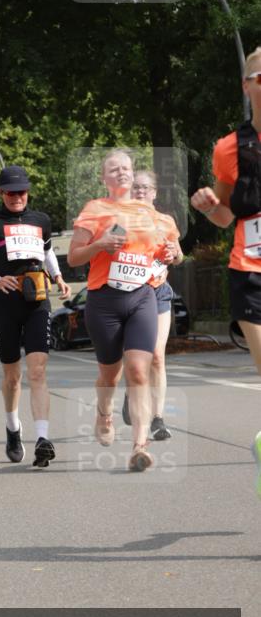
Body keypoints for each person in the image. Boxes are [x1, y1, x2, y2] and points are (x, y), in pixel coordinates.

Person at [68, 151, 170, 472]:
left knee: (139, 370)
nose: (123, 173)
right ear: (105, 178)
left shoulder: (152, 215)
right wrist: (100, 245)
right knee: (109, 375)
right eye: (115, 169)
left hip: (142, 297)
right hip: (104, 302)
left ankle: (139, 444)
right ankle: (105, 412)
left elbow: (170, 253)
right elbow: (73, 258)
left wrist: (174, 253)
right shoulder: (95, 210)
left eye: (126, 167)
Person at [0, 165, 71, 468]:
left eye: (22, 192)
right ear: (1, 193)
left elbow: (48, 251)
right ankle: (13, 428)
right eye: (11, 192)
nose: (17, 197)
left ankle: (42, 439)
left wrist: (57, 276)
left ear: (28, 193)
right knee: (12, 376)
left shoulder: (41, 220)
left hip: (37, 300)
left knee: (38, 370)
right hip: (5, 303)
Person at [191, 46, 261, 375]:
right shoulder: (228, 147)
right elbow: (225, 217)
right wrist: (208, 207)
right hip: (249, 270)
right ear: (246, 85)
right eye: (260, 78)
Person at [122, 170, 183, 440]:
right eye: (136, 188)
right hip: (129, 294)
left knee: (157, 356)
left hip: (158, 293)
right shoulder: (120, 219)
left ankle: (157, 418)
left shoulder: (166, 222)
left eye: (146, 188)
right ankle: (131, 390)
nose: (140, 192)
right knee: (137, 358)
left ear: (155, 193)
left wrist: (174, 254)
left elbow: (179, 255)